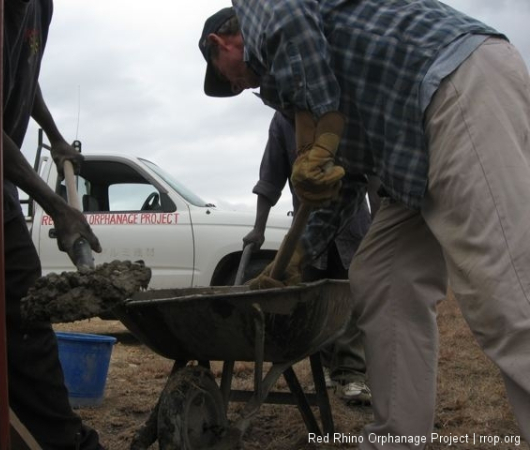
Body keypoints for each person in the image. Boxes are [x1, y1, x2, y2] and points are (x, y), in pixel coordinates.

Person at [199, 2, 530, 448]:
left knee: (507, 295)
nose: (238, 86)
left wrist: (324, 131)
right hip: (407, 150)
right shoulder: (314, 81)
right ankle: (398, 438)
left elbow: (290, 18)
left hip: (452, 81)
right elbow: (347, 179)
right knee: (382, 274)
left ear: (222, 43)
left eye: (227, 77)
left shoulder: (260, 11)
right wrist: (300, 254)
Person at [0, 1, 103, 448]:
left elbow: (22, 77)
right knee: (23, 323)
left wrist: (53, 136)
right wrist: (56, 204)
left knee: (22, 323)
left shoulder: (40, 5)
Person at [244, 111, 372, 404]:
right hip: (307, 231)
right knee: (314, 302)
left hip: (351, 224)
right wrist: (258, 228)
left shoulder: (341, 109)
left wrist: (380, 221)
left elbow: (371, 176)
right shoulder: (281, 121)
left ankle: (352, 374)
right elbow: (269, 179)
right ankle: (326, 368)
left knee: (349, 297)